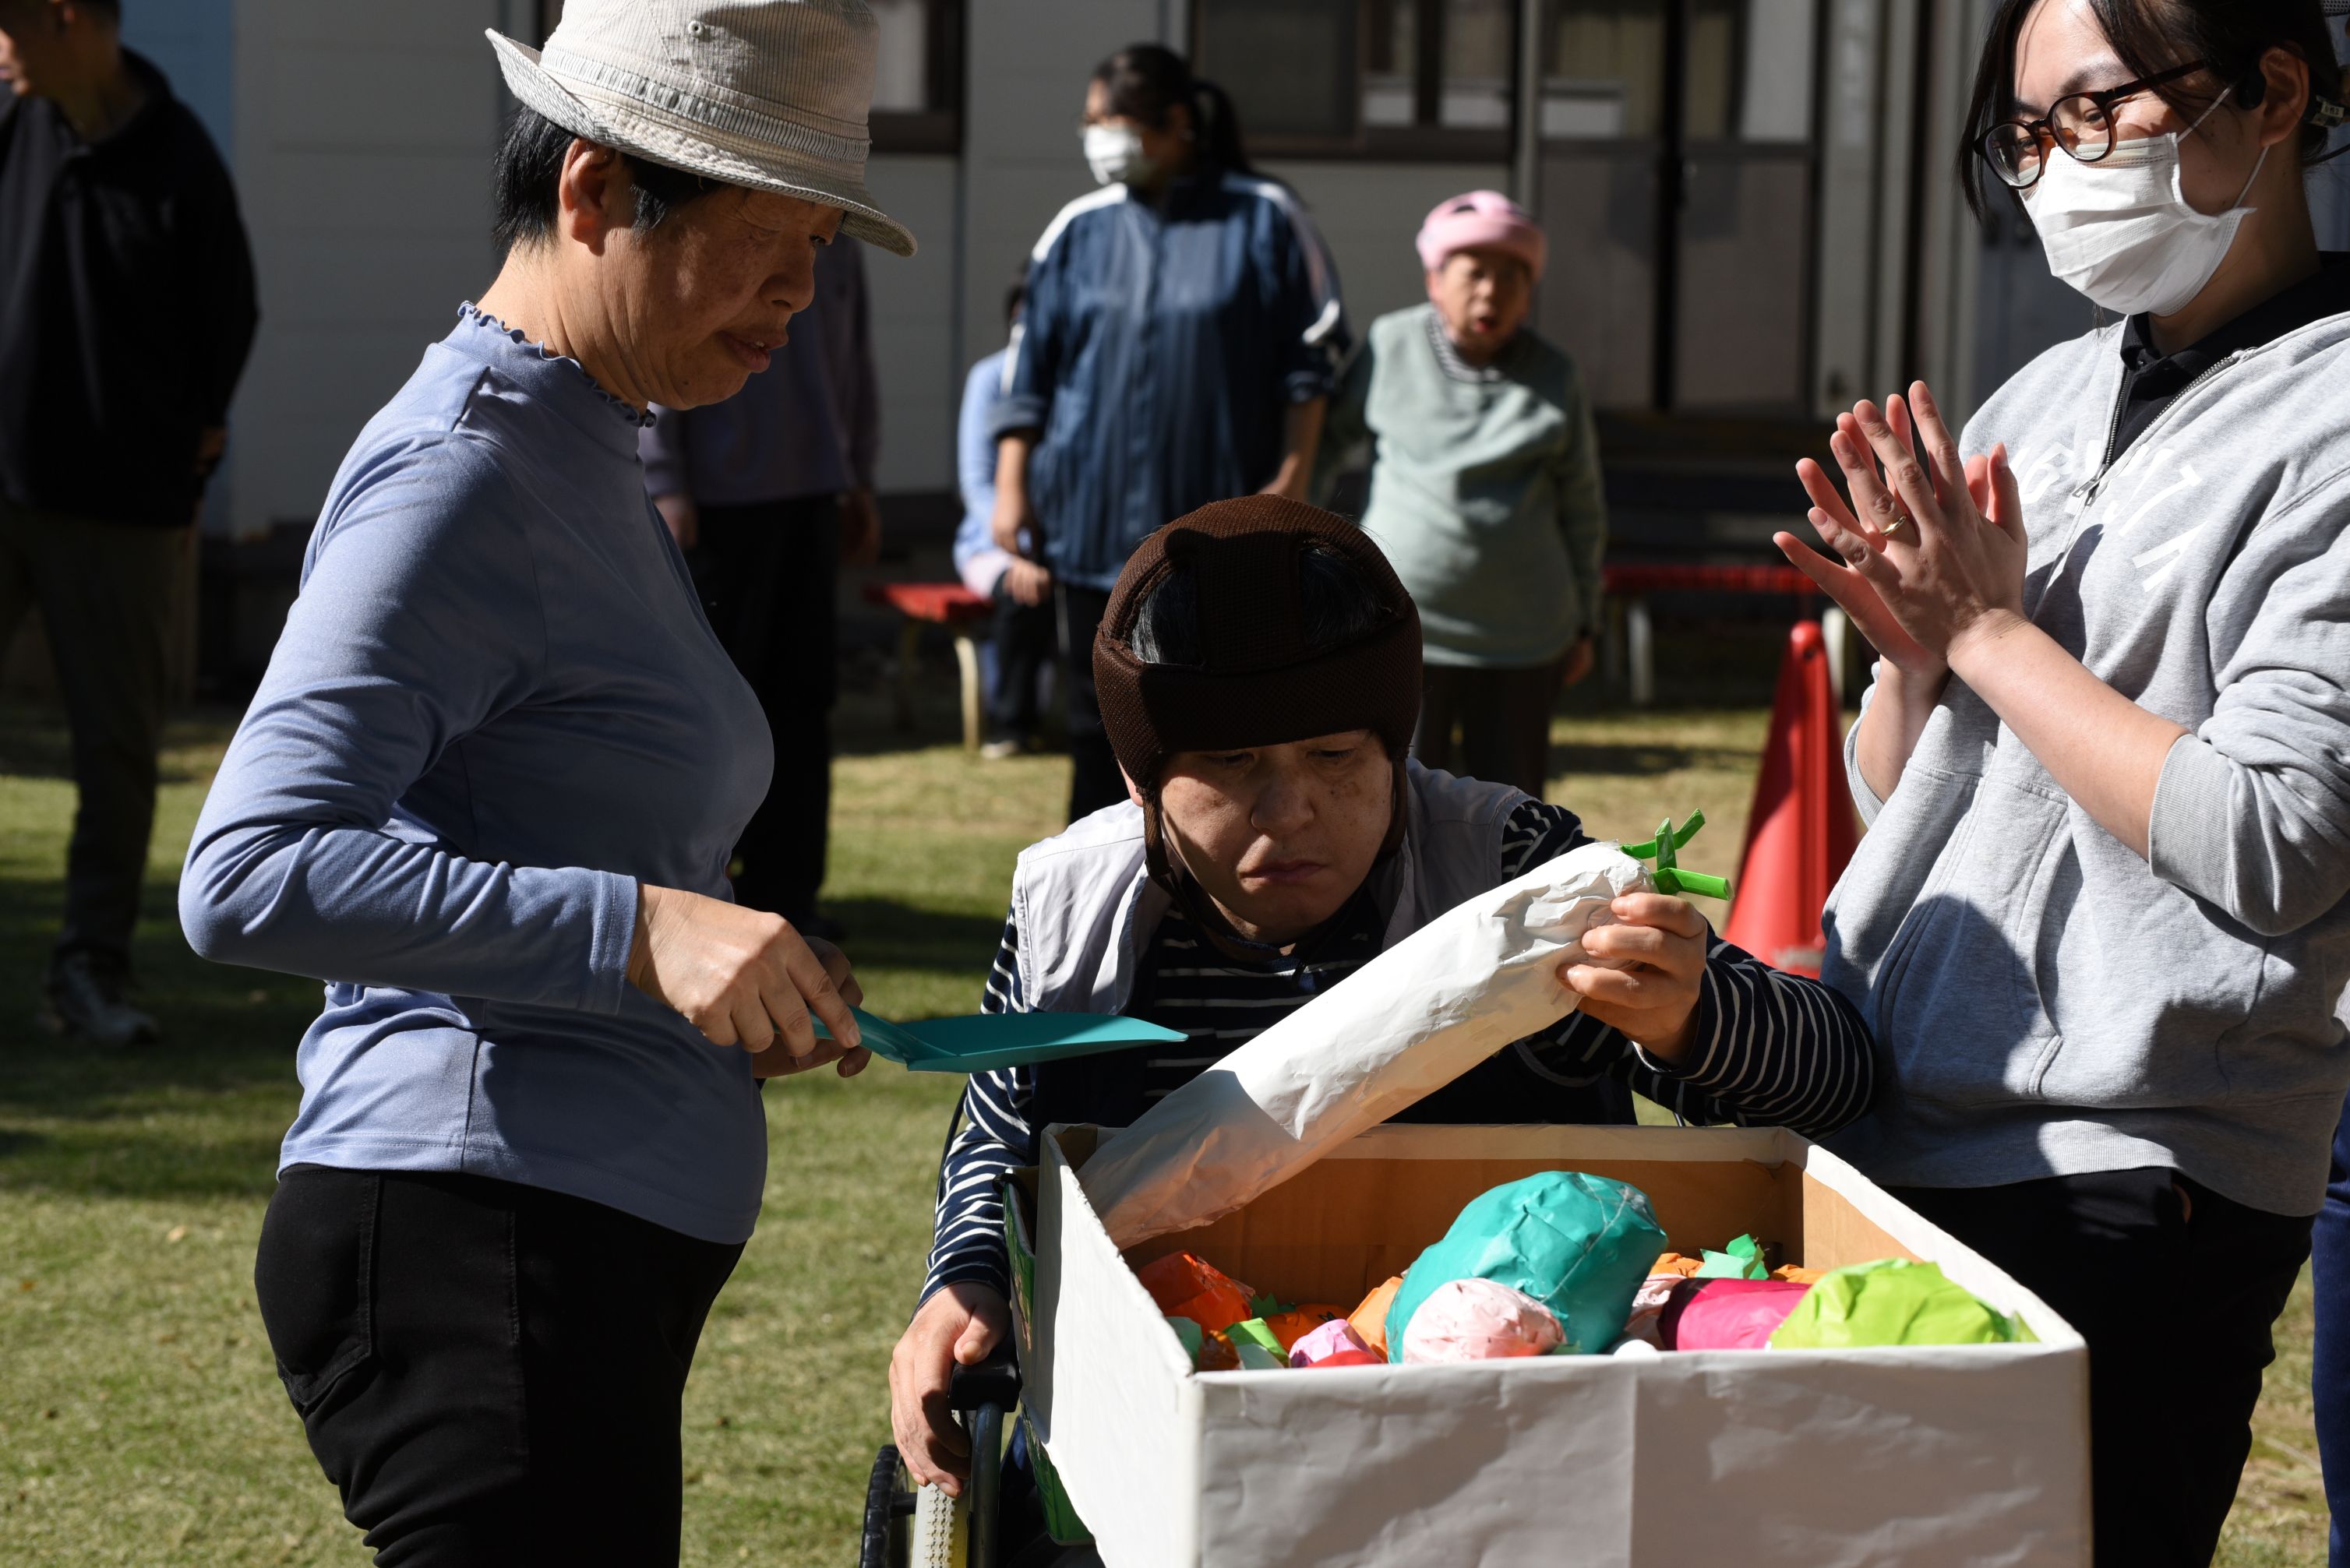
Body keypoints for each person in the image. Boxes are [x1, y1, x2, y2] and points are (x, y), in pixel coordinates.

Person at [175, 2, 909, 1558]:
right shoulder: (465, 468)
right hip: (477, 1244)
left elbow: (550, 806)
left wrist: (729, 960)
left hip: (554, 1250)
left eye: (820, 246)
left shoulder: (580, 432)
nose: (801, 289)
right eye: (768, 237)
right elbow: (247, 870)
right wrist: (644, 932)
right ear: (593, 192)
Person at [890, 495, 1878, 1529]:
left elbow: (1840, 1075)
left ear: (1394, 747)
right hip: (1168, 1430)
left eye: (1334, 758)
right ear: (1142, 777)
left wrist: (1689, 1018)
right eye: (1231, 765)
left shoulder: (1508, 873)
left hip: (1516, 1443)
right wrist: (967, 1280)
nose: (1291, 812)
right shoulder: (1072, 908)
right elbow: (1000, 1139)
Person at [1777, 3, 2350, 1562]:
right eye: (2025, 134)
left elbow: (2274, 838)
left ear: (2272, 93)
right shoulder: (2036, 396)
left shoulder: (2329, 413)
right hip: (1898, 1116)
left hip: (2135, 1166)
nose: (2054, 167)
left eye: (2094, 110)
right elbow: (1912, 805)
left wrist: (1986, 633)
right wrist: (1913, 663)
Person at [991, 44, 1347, 823]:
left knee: (1219, 724)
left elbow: (1313, 360)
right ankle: (1099, 871)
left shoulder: (1266, 217)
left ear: (1177, 123)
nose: (1096, 138)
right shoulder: (1077, 229)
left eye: (1110, 120)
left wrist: (1290, 482)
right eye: (1089, 121)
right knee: (1096, 725)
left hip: (1218, 532)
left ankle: (1210, 870)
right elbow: (1029, 371)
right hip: (1090, 528)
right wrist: (1011, 487)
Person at [0, 0, 256, 1046]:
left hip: (120, 513)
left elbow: (227, 321)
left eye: (10, 25)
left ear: (69, 20)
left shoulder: (180, 160)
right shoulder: (14, 125)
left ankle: (87, 973)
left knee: (116, 750)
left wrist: (185, 455)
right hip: (1, 491)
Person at [1320, 190, 1604, 800]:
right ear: (1435, 280)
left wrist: (1587, 616)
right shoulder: (1390, 345)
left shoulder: (1555, 374)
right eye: (1474, 273)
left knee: (1511, 808)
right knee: (1395, 799)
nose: (1491, 292)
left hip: (1525, 636)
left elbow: (1582, 501)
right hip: (1401, 624)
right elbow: (1324, 445)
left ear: (1529, 293)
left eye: (1511, 277)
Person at [640, 232, 880, 936]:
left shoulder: (839, 241)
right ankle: (702, 887)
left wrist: (859, 476)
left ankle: (790, 894)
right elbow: (662, 332)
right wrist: (665, 479)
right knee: (711, 707)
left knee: (803, 702)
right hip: (716, 505)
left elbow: (855, 359)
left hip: (813, 496)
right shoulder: (719, 214)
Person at [954, 278, 1056, 759]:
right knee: (1022, 590)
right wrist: (1020, 550)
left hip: (1061, 542)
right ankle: (1011, 722)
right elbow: (976, 482)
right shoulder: (990, 377)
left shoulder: (1071, 381)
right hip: (992, 544)